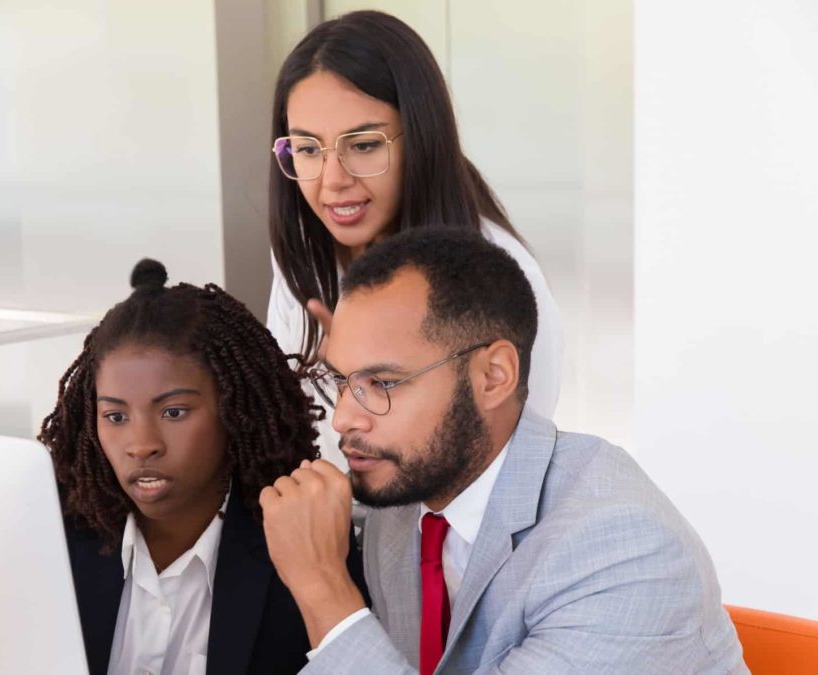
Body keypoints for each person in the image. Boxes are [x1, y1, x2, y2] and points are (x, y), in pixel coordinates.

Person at [259, 228, 746, 673]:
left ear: (493, 376)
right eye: (342, 380)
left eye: (383, 382)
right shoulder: (406, 503)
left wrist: (323, 588)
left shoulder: (620, 548)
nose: (344, 417)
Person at [39, 259, 366, 675]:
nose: (141, 446)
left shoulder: (305, 548)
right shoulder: (53, 537)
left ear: (234, 410)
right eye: (116, 417)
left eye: (174, 412)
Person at [266, 10, 564, 464]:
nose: (332, 182)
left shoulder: (501, 277)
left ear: (421, 138)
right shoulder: (306, 249)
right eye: (307, 149)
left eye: (364, 145)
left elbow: (508, 475)